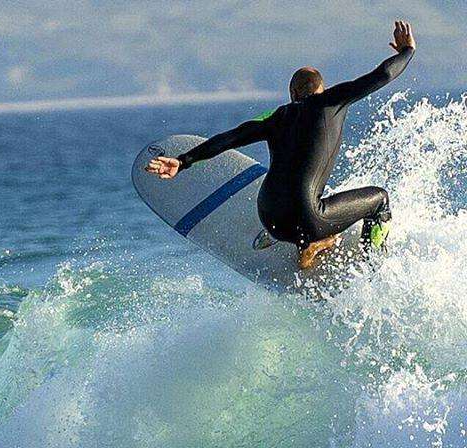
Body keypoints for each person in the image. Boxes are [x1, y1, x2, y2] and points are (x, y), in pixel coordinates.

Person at [146, 21, 415, 269]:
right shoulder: (332, 101)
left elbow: (228, 138)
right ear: (322, 89)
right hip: (309, 218)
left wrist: (182, 161)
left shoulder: (276, 118)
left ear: (292, 94)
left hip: (270, 219)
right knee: (380, 200)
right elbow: (381, 75)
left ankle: (310, 242)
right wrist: (406, 52)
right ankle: (372, 267)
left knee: (312, 198)